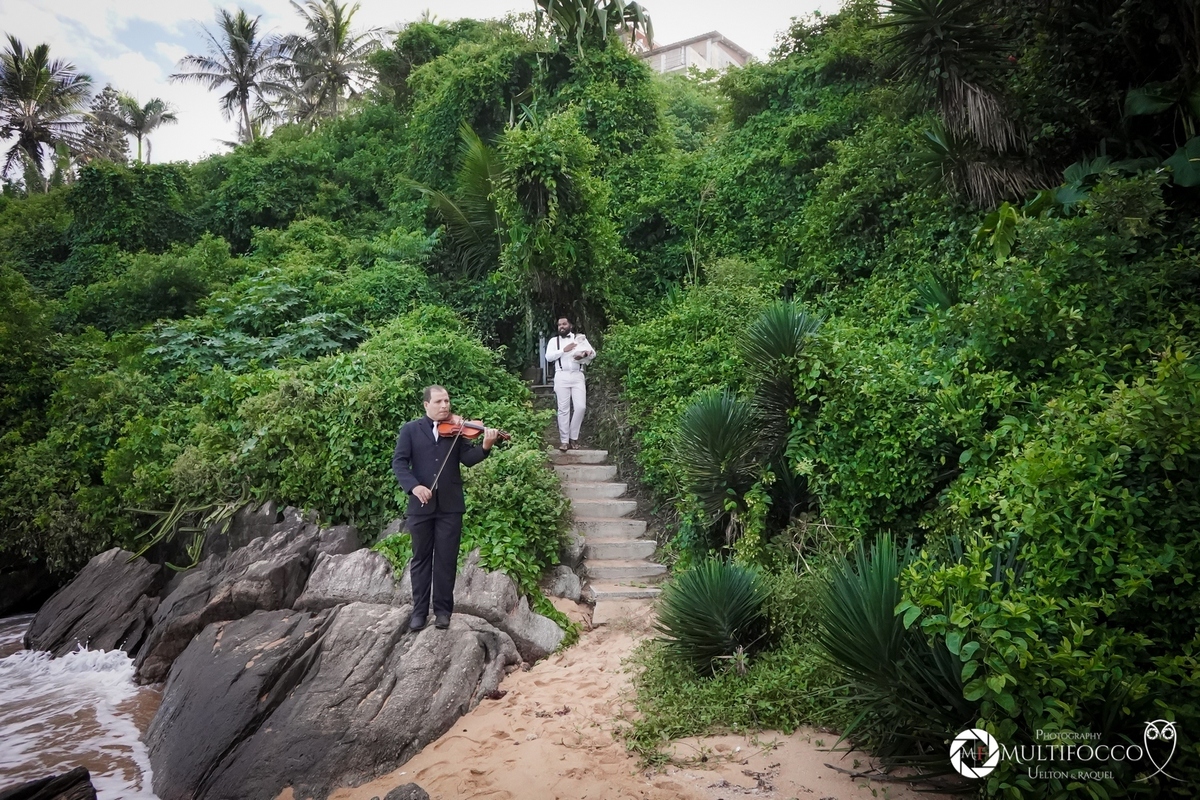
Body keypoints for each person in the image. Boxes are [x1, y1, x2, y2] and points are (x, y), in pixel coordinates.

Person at [392, 385, 499, 631]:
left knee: (446, 560)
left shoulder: (457, 431)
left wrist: (486, 446)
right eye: (439, 401)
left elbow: (468, 460)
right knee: (420, 559)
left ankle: (443, 612)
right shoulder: (410, 430)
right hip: (420, 505)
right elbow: (399, 463)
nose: (445, 406)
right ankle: (418, 613)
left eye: (447, 401)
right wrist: (414, 487)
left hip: (451, 506)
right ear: (426, 405)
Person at [545, 316, 596, 452]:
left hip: (578, 374)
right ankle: (564, 441)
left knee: (580, 407)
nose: (561, 326)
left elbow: (593, 354)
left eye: (564, 324)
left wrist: (585, 354)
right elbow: (548, 357)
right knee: (563, 409)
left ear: (570, 325)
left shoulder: (580, 339)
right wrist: (564, 350)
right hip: (561, 375)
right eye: (559, 325)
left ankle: (574, 436)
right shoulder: (553, 341)